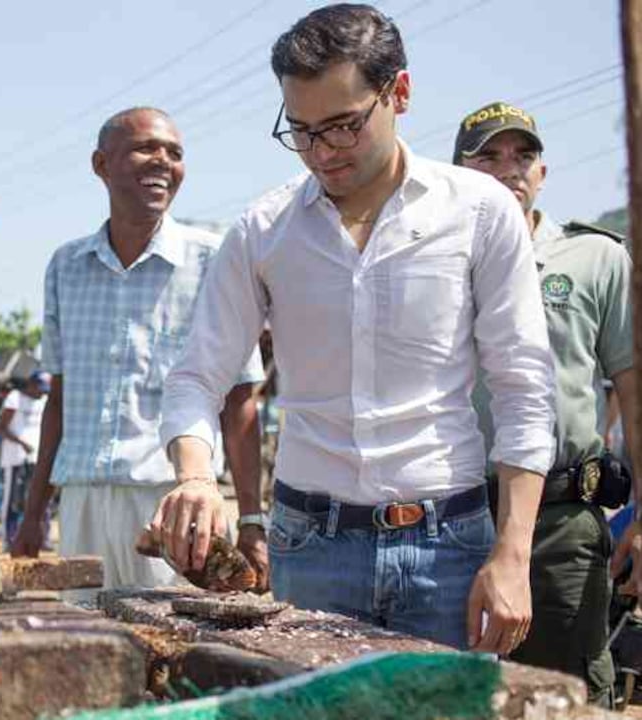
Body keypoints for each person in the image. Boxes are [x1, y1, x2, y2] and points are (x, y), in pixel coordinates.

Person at [157, 3, 556, 654]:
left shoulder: (480, 213)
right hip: (310, 547)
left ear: (399, 94)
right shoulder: (264, 230)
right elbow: (198, 376)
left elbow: (524, 390)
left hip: (448, 550)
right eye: (302, 131)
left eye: (344, 126)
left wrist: (513, 554)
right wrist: (196, 476)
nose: (322, 152)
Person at [10, 106, 265, 591]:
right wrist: (34, 514)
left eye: (175, 153)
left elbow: (240, 400)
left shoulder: (212, 259)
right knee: (84, 633)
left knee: (176, 632)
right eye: (146, 148)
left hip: (174, 500)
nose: (163, 161)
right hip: (83, 499)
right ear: (101, 164)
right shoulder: (66, 265)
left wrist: (252, 520)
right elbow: (59, 401)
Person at [455, 101, 636, 703]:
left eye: (523, 156)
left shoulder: (595, 258)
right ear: (457, 173)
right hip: (447, 519)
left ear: (543, 172)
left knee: (563, 697)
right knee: (447, 697)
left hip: (559, 525)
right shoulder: (430, 259)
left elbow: (633, 391)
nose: (510, 168)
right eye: (488, 156)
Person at [0, 371, 49, 546]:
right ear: (31, 385)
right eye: (39, 389)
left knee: (39, 498)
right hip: (16, 457)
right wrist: (21, 443)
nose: (41, 393)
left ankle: (43, 538)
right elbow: (1, 428)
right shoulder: (15, 398)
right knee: (12, 498)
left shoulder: (44, 401)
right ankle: (9, 538)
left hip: (37, 456)